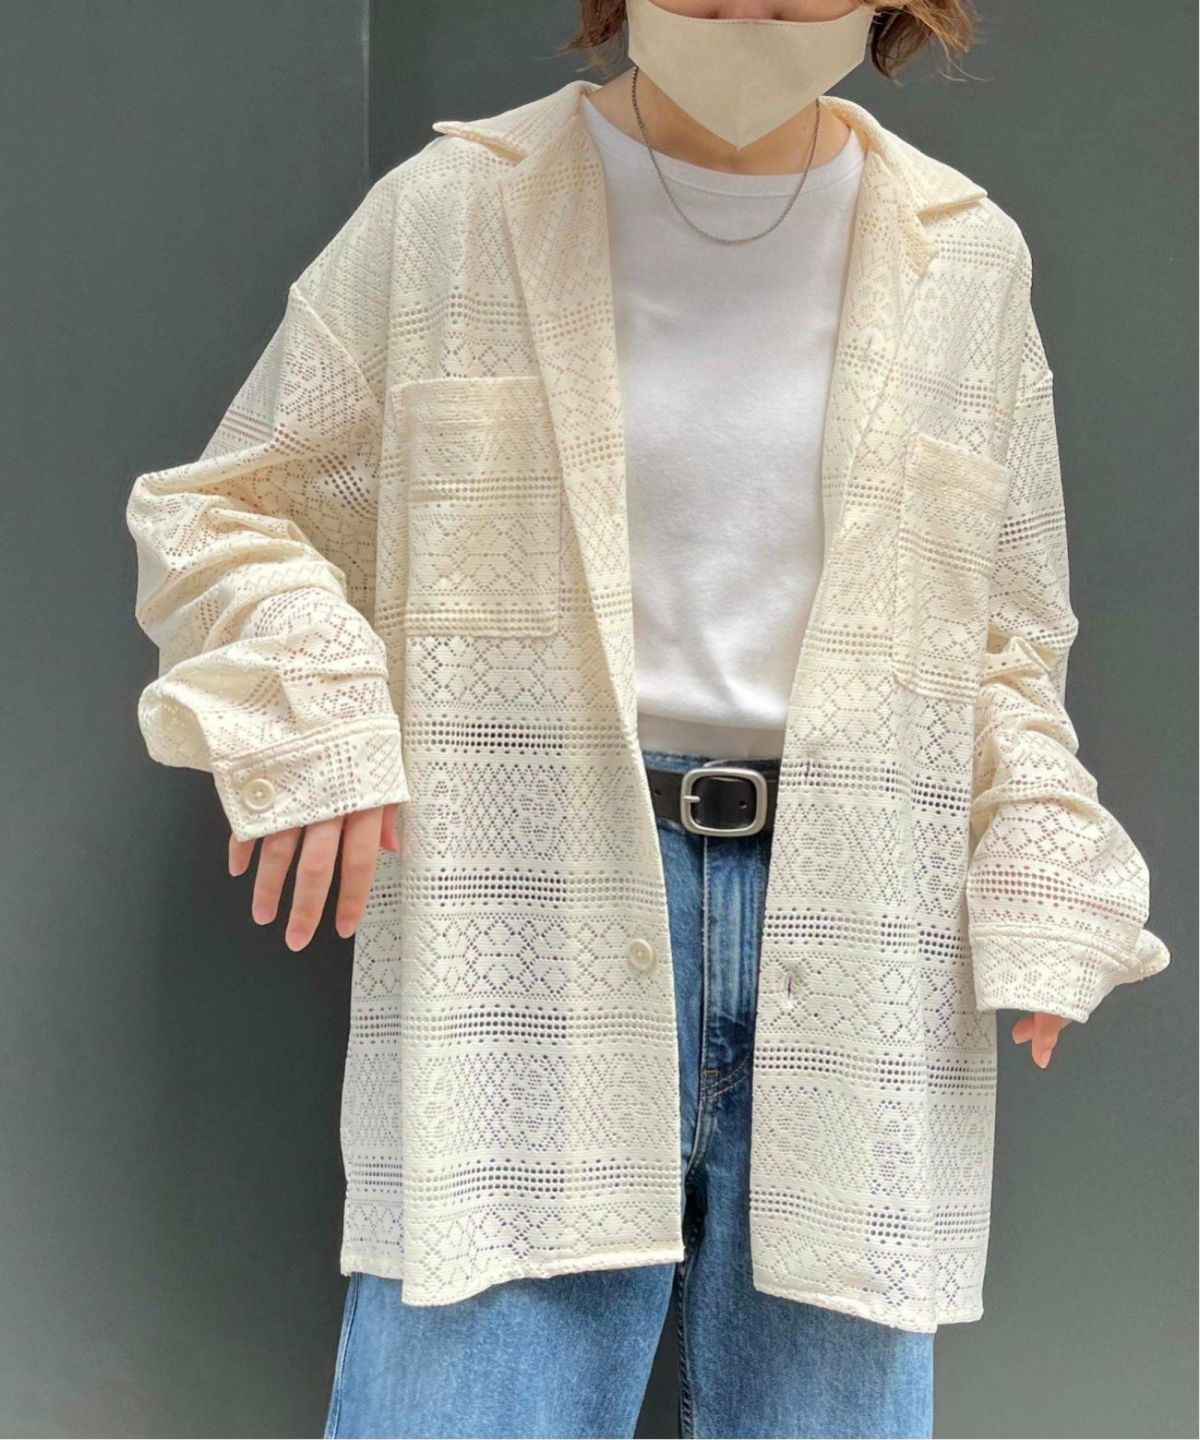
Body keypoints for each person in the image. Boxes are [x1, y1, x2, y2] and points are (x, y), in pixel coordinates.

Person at [124, 2, 1170, 1436]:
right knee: (464, 1396)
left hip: (861, 919)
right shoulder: (457, 212)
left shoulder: (964, 255)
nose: (748, 15)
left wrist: (1040, 854)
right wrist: (321, 718)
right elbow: (226, 510)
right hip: (527, 893)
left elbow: (1003, 635)